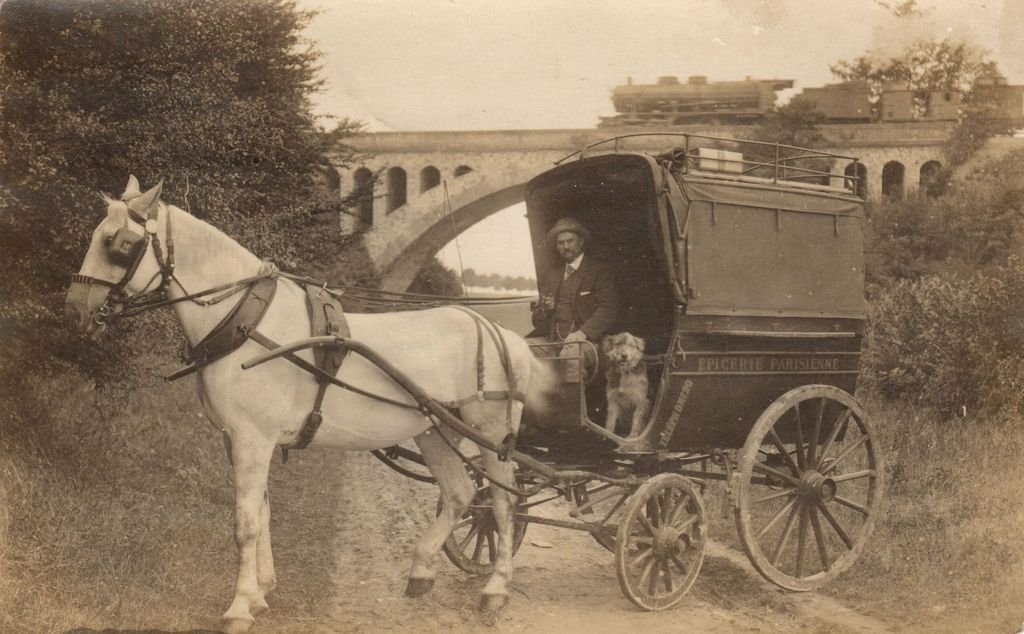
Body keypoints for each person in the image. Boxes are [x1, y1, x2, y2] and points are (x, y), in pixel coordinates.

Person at [529, 217, 617, 382]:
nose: (566, 246)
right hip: (553, 341)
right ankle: (530, 407)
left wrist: (582, 333)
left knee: (572, 355)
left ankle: (571, 407)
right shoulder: (552, 275)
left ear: (581, 242)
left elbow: (608, 309)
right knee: (518, 348)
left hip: (589, 343)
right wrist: (545, 310)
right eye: (560, 243)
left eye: (570, 241)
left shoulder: (599, 271)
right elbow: (537, 321)